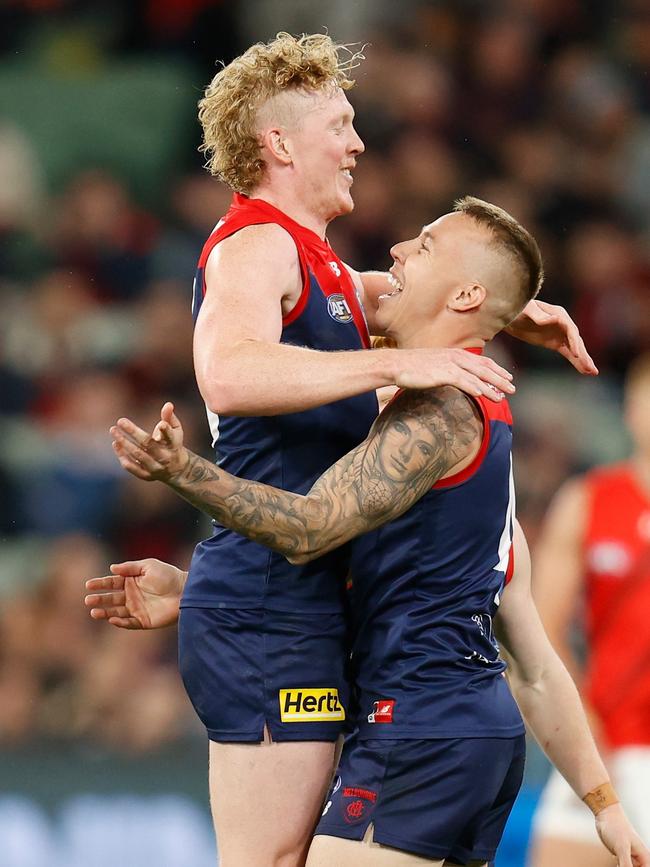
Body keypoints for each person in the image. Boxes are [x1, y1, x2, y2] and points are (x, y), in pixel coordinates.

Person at [92, 31, 594, 866]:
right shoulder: (256, 243)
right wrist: (406, 358)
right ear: (280, 143)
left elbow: (390, 299)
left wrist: (510, 309)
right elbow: (229, 373)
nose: (359, 143)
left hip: (292, 600)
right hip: (265, 607)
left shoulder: (318, 261)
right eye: (341, 124)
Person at [528, 353, 650, 867]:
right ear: (630, 408)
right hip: (608, 741)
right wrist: (583, 728)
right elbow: (540, 630)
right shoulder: (589, 499)